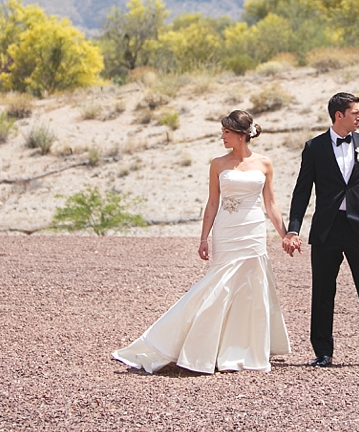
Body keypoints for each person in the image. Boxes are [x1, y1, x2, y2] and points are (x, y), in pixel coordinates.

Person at [112, 110, 299, 374]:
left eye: (226, 132)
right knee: (218, 286)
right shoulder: (218, 164)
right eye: (222, 131)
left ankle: (242, 351)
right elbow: (213, 203)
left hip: (254, 230)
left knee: (251, 289)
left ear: (241, 134)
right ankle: (184, 344)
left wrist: (286, 235)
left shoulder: (264, 163)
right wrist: (203, 238)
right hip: (226, 230)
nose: (222, 136)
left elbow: (271, 203)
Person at [284, 92, 359, 368]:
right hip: (326, 229)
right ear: (339, 115)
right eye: (355, 113)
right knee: (323, 291)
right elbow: (302, 192)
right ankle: (323, 353)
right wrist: (293, 229)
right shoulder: (314, 147)